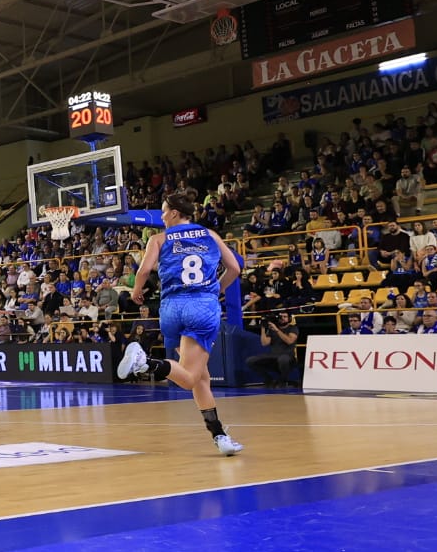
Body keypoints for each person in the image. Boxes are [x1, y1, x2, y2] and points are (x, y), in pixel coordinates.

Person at [117, 193, 244, 456]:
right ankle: (146, 363)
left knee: (201, 378)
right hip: (201, 307)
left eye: (163, 211)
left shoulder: (159, 239)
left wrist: (136, 292)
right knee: (188, 378)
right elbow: (234, 268)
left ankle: (219, 434)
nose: (161, 216)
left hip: (172, 308)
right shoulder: (209, 234)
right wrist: (216, 290)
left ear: (175, 213)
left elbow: (143, 271)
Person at [245, 312, 300, 388]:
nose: (282, 318)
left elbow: (289, 341)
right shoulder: (272, 329)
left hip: (288, 357)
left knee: (283, 359)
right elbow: (264, 343)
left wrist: (277, 330)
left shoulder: (293, 328)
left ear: (289, 319)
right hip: (273, 357)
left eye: (285, 317)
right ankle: (269, 379)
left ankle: (283, 380)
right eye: (281, 317)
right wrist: (263, 328)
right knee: (250, 361)